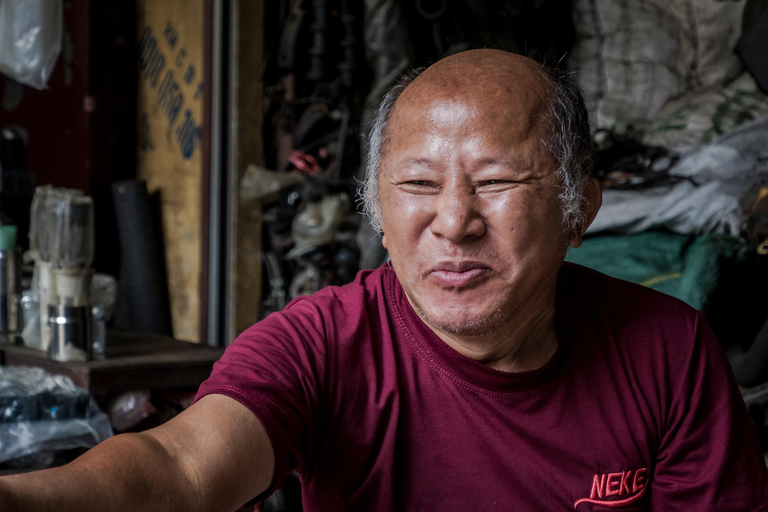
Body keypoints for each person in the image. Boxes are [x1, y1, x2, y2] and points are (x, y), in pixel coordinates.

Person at [1, 49, 766, 511]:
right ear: (375, 209)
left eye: (497, 181)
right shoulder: (321, 344)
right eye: (419, 184)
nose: (454, 220)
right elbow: (180, 467)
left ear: (579, 209)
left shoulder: (667, 351)